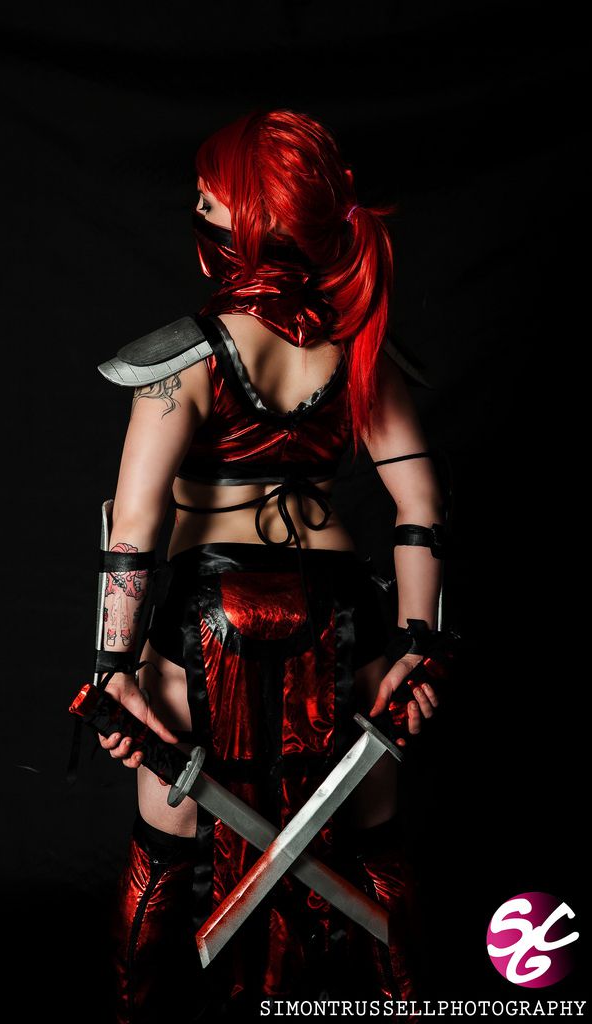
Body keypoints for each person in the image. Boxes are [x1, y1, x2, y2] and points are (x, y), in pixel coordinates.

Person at [92, 109, 448, 1023]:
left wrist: (112, 667)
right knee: (370, 837)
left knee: (168, 839)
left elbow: (133, 525)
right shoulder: (360, 344)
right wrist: (417, 646)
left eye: (212, 196)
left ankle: (137, 1016)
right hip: (342, 612)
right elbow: (419, 508)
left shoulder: (186, 353)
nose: (198, 207)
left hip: (205, 613)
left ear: (254, 217)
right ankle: (407, 1004)